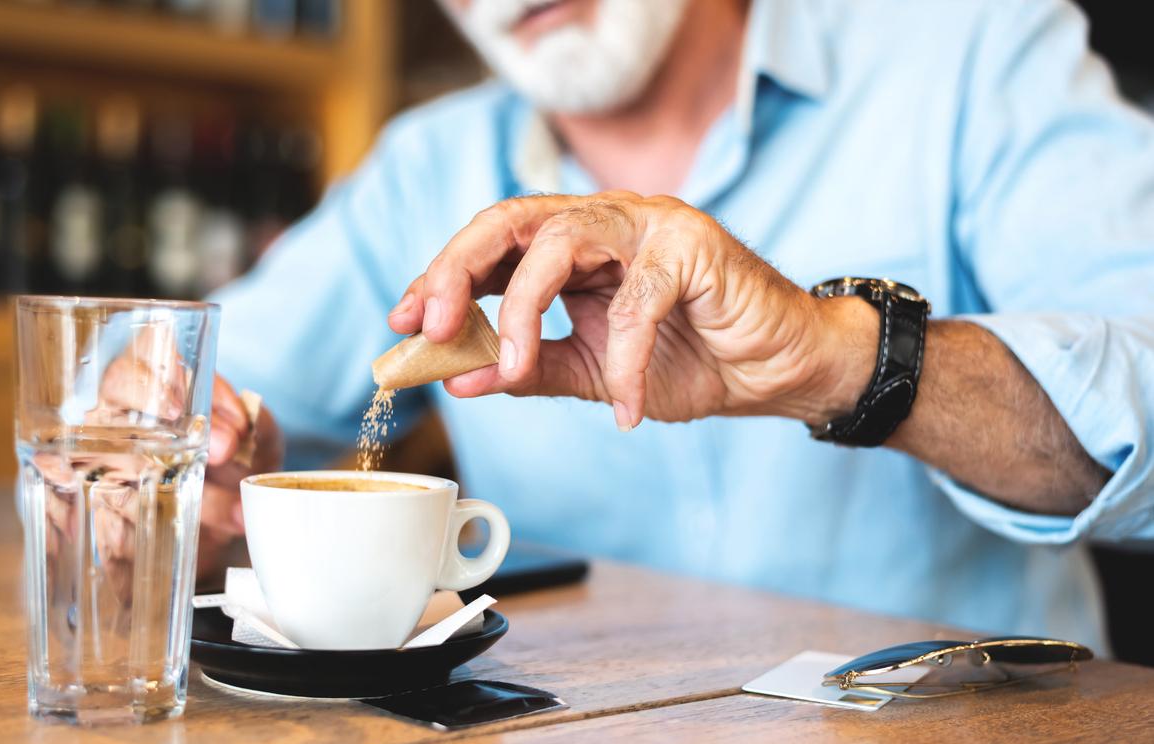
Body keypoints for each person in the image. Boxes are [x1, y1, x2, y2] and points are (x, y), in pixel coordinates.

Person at [205, 0, 1154, 651]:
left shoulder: (974, 52)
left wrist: (835, 357)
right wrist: (172, 447)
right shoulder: (425, 171)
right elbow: (175, 392)